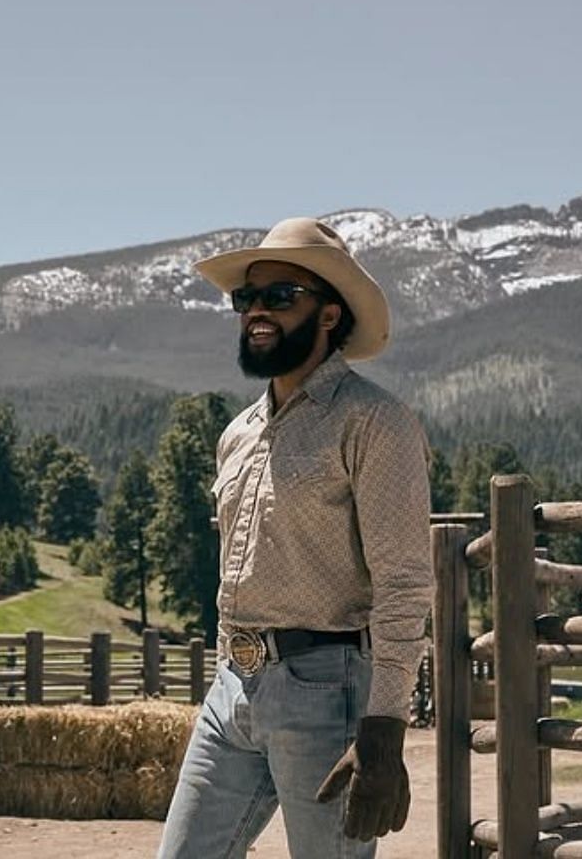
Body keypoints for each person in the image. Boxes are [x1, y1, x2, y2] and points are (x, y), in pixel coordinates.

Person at [157, 217, 431, 858]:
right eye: (245, 299)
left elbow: (405, 582)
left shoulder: (374, 423)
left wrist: (385, 727)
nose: (257, 311)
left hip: (326, 687)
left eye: (280, 297)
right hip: (233, 686)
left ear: (329, 315)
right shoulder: (237, 434)